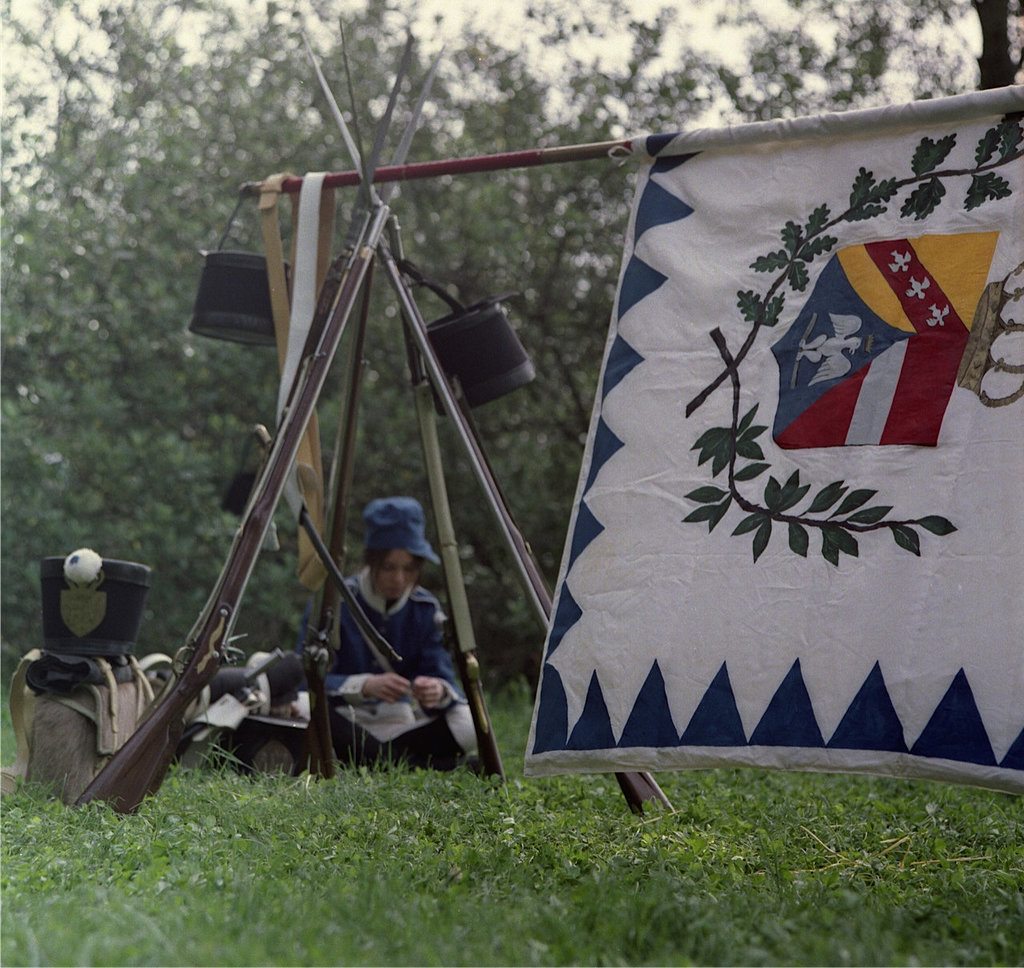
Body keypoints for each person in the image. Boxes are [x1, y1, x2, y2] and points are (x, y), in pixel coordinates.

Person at [323, 496, 477, 771]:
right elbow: (306, 679)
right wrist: (363, 685)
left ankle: (374, 760)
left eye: (409, 569)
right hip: (346, 720)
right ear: (372, 562)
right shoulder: (336, 601)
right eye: (389, 568)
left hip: (403, 724)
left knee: (469, 723)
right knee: (313, 713)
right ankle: (430, 765)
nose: (399, 579)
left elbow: (444, 679)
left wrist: (436, 690)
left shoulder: (425, 609)